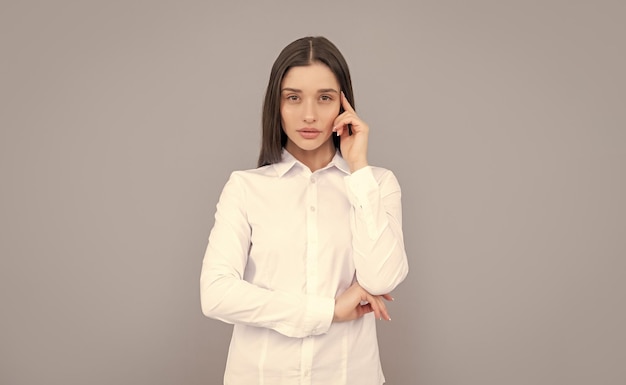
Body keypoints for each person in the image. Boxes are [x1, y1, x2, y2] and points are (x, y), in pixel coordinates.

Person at [200, 36, 409, 385]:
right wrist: (327, 312)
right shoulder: (246, 187)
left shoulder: (376, 184)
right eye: (293, 98)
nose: (309, 115)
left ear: (344, 106)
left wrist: (358, 167)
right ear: (276, 105)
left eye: (325, 98)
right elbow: (217, 294)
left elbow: (381, 279)